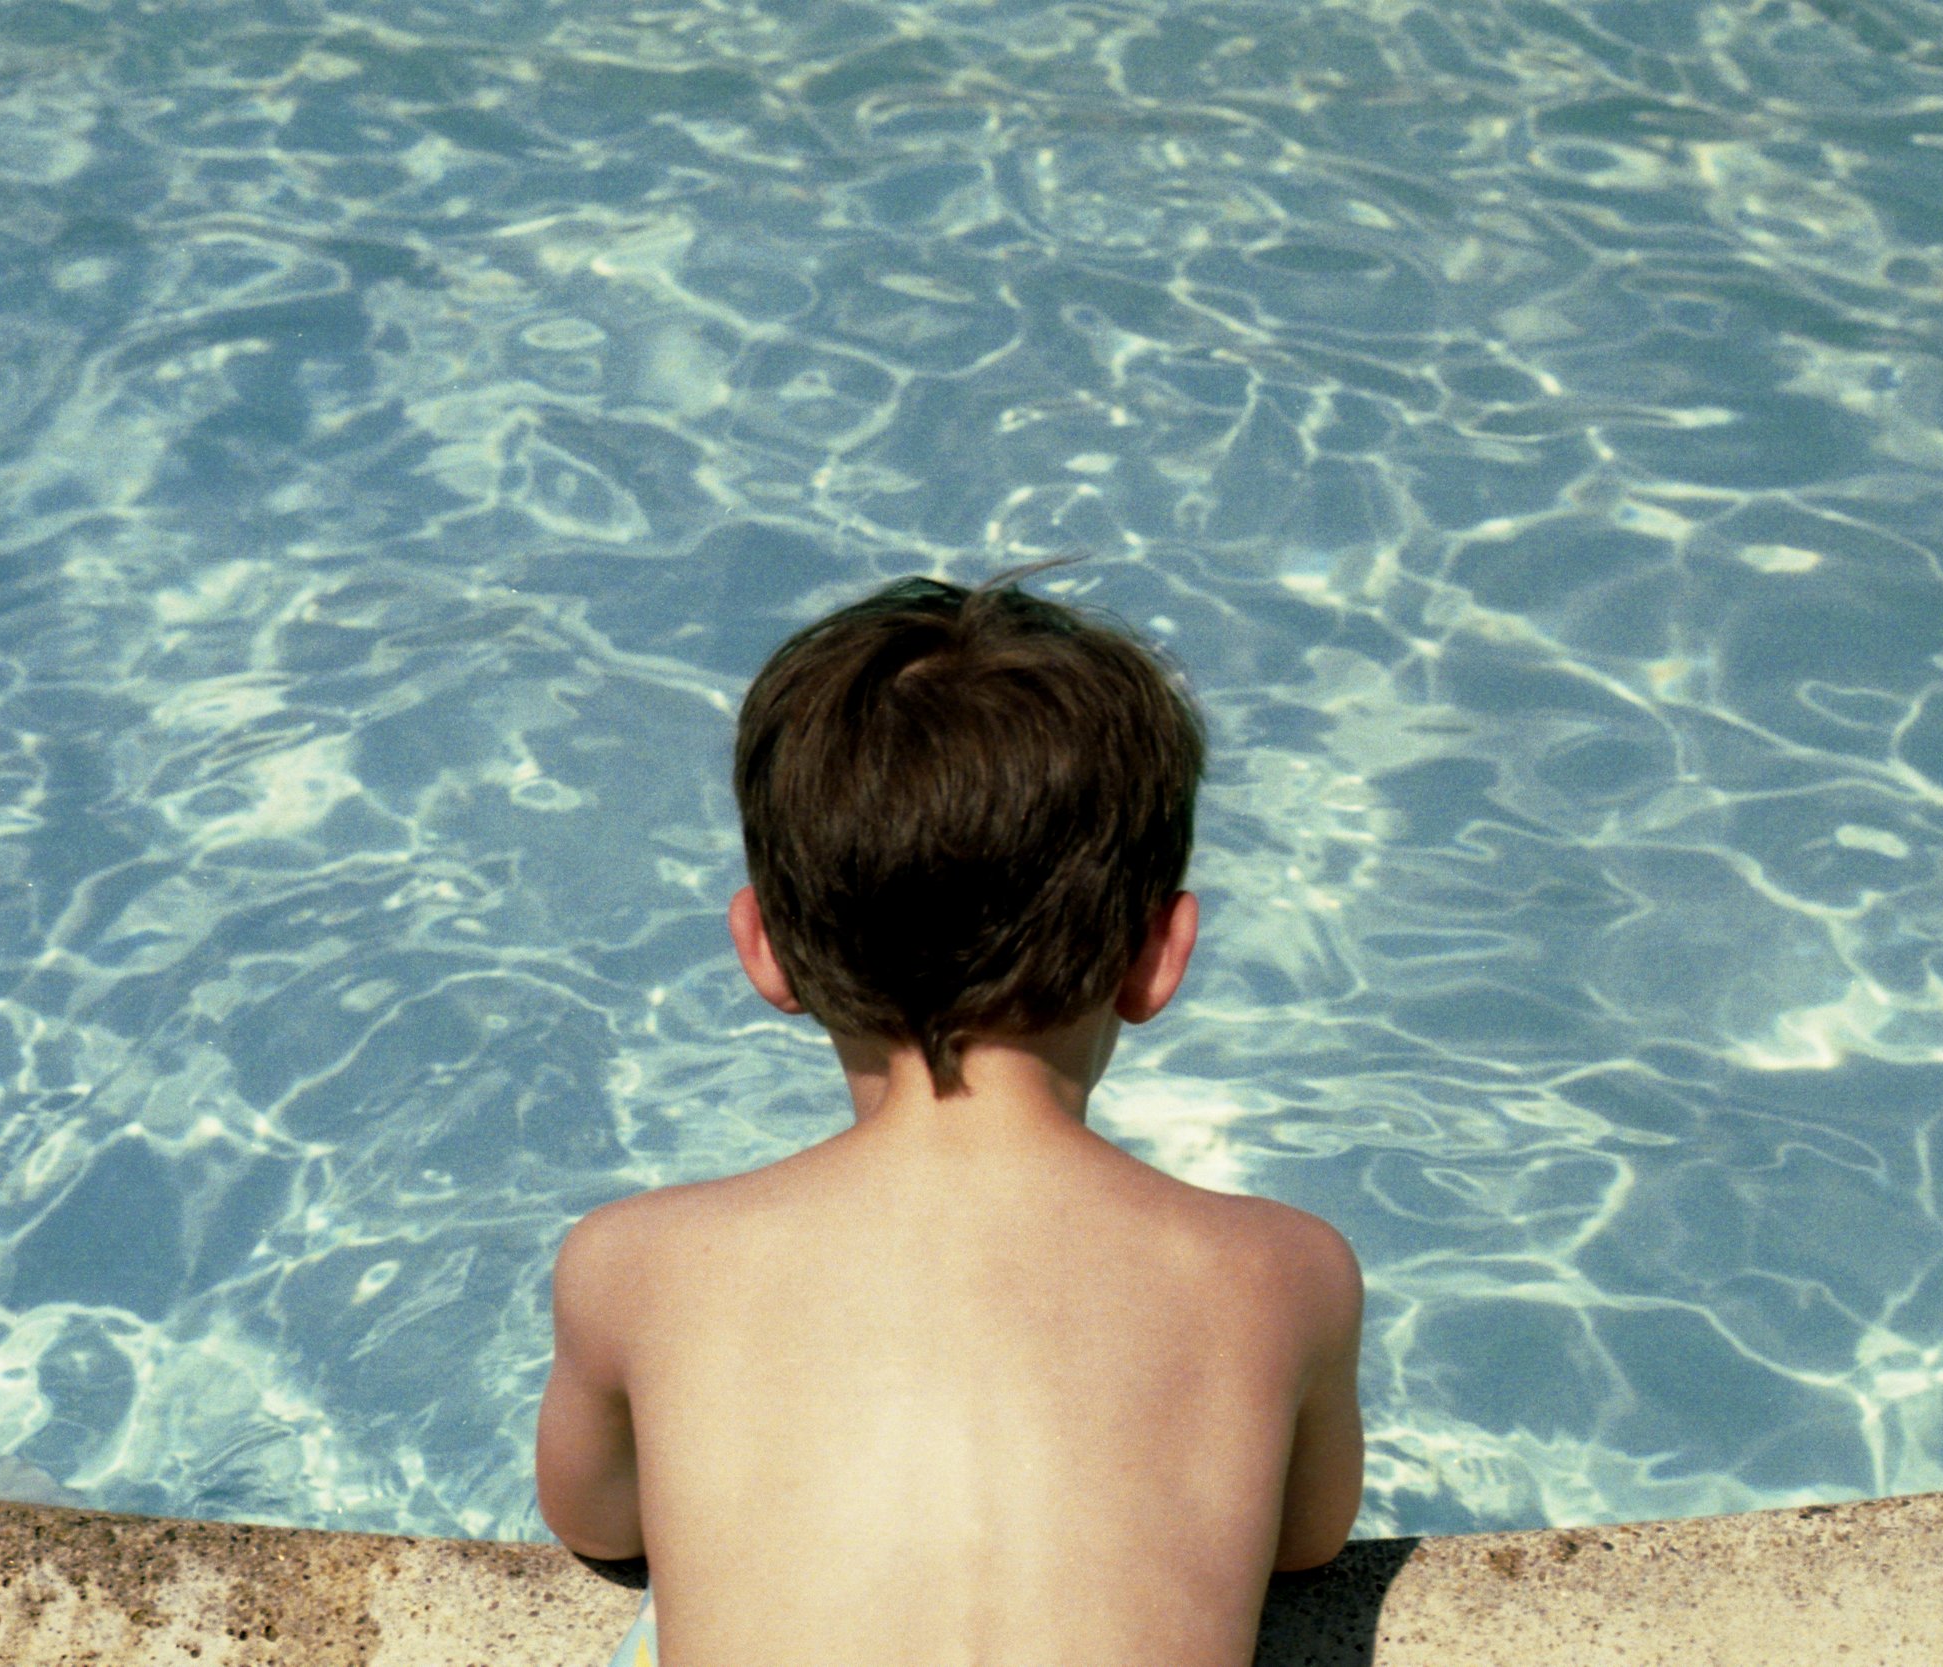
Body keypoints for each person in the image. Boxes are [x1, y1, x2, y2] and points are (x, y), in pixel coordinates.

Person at [535, 572, 1365, 1667]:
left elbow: (594, 1520)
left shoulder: (634, 1261)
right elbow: (1306, 1543)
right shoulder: (1283, 1269)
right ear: (1160, 952)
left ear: (764, 945)